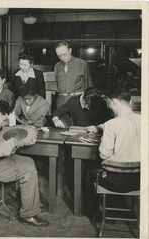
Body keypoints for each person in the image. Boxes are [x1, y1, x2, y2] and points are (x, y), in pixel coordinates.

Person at [85, 85, 141, 218]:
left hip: (117, 181)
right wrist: (100, 127)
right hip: (141, 179)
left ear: (113, 101)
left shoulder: (112, 124)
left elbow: (104, 155)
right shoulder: (144, 120)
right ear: (130, 101)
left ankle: (96, 213)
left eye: (109, 103)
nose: (109, 107)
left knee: (89, 170)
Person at [54, 40, 93, 108]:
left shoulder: (82, 64)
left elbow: (89, 85)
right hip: (61, 101)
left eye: (64, 54)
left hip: (78, 100)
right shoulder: (57, 66)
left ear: (70, 50)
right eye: (59, 56)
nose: (63, 58)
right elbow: (56, 84)